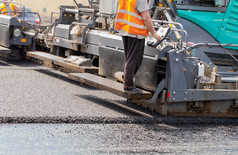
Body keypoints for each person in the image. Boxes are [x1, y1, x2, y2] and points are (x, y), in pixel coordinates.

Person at [115, 0, 161, 92]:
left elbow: (117, 11)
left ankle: (127, 79)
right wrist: (154, 34)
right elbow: (146, 18)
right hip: (136, 32)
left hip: (125, 30)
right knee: (134, 60)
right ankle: (128, 85)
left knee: (129, 59)